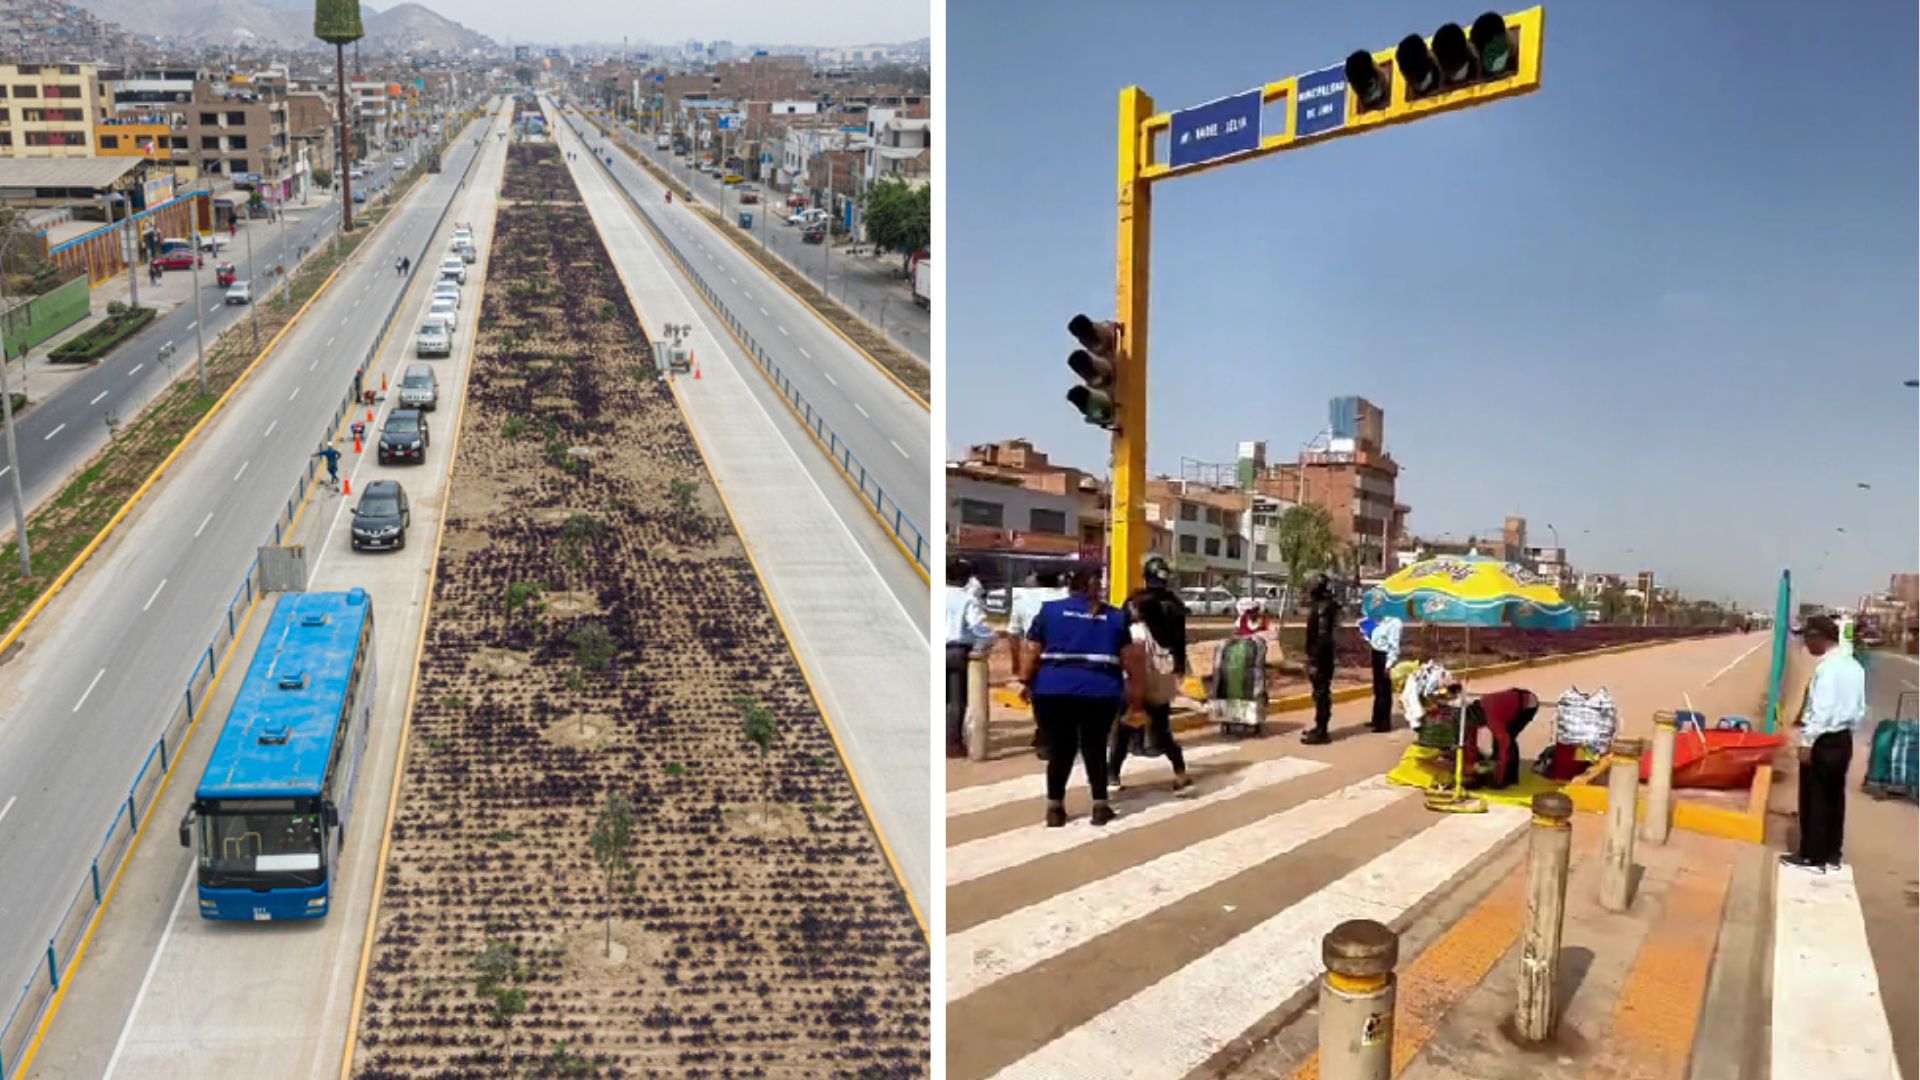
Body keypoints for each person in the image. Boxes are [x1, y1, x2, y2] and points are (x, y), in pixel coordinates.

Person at [1018, 567, 1146, 827]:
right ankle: (1100, 805)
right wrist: (1137, 696)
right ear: (1099, 586)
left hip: (1052, 691)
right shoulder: (1116, 617)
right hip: (1100, 692)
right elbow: (1131, 660)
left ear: (1070, 585)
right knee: (1095, 747)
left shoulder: (1049, 611)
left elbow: (1030, 651)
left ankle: (1055, 808)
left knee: (1060, 749)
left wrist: (1026, 682)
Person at [1784, 615, 1867, 872]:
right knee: (1834, 797)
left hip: (1822, 739)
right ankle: (1832, 851)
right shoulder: (1855, 666)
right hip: (1843, 739)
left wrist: (1807, 741)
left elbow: (1822, 708)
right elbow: (1860, 708)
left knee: (1814, 798)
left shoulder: (1827, 668)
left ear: (1819, 637)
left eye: (1808, 638)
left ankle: (1812, 854)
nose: (1806, 645)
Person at [1111, 556, 1190, 791]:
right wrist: (1180, 667)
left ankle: (1112, 774)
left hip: (1136, 674)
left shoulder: (1133, 602)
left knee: (1124, 726)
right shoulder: (1175, 605)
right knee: (1161, 725)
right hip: (1163, 672)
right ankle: (1180, 771)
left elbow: (1121, 640)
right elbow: (1180, 641)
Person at [1009, 569, 1069, 759]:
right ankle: (1055, 736)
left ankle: (1045, 738)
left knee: (1039, 698)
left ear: (1034, 579)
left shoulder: (1022, 598)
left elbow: (1013, 633)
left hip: (1034, 652)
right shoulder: (1066, 596)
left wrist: (1016, 660)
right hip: (1063, 652)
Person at [944, 557, 993, 759]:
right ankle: (952, 743)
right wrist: (991, 638)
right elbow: (978, 627)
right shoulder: (967, 599)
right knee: (956, 700)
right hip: (956, 650)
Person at [1302, 573, 1340, 745]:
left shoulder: (1323, 607)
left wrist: (1315, 661)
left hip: (1321, 657)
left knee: (1321, 693)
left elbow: (1323, 636)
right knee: (1320, 693)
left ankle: (1322, 731)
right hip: (1322, 655)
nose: (1309, 589)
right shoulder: (1324, 604)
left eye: (1311, 585)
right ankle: (1319, 727)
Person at [1365, 614, 1403, 733]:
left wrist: (1389, 664)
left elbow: (1394, 647)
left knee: (1384, 691)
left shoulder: (1395, 622)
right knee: (1377, 689)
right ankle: (1376, 719)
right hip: (1376, 654)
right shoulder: (1379, 620)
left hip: (1385, 657)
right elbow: (1375, 638)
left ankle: (1384, 723)